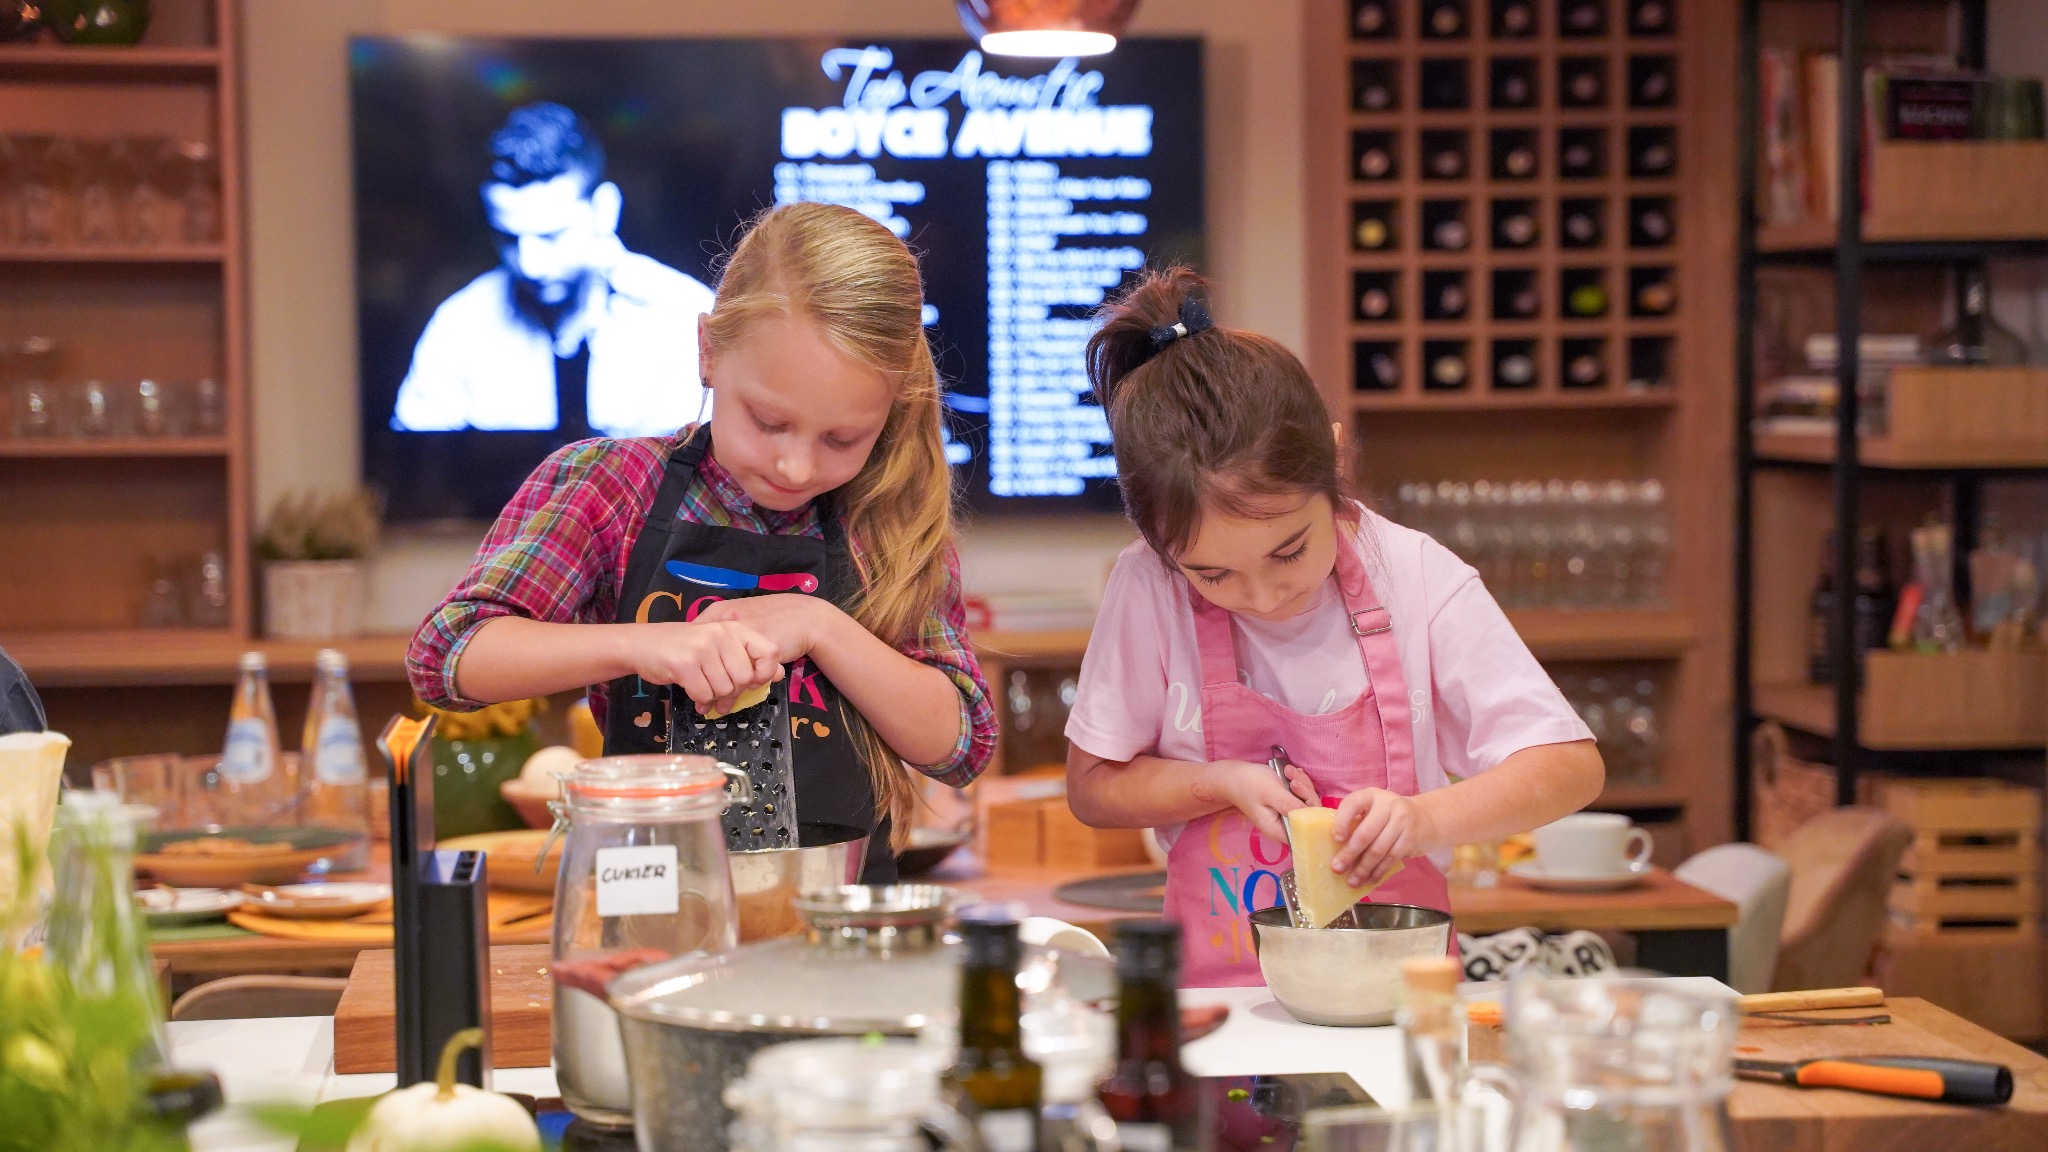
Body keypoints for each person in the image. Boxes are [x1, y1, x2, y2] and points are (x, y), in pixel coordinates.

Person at [407, 202, 997, 881]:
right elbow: (446, 656)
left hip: (843, 920)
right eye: (768, 421)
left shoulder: (886, 519)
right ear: (708, 349)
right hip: (653, 903)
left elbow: (961, 744)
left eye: (842, 439)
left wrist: (820, 626)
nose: (796, 467)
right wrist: (645, 644)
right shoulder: (610, 487)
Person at [1063, 268, 1604, 986]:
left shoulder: (1415, 576)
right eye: (1211, 575)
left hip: (1396, 1000)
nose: (1260, 596)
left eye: (1289, 551)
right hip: (1222, 1005)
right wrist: (1220, 783)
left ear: (1336, 460)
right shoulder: (1148, 585)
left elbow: (1571, 769)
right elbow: (1093, 787)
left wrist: (1423, 820)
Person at [391, 102, 717, 440]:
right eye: (508, 237)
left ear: (605, 209)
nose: (531, 265)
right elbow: (418, 468)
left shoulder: (684, 316)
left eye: (552, 236)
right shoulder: (458, 325)